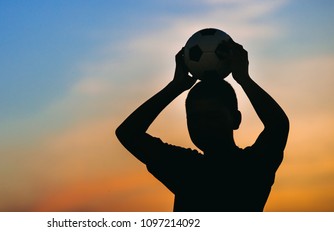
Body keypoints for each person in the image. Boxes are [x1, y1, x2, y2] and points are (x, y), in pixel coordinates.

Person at [115, 40, 289, 211]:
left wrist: (244, 79)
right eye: (195, 118)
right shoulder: (185, 168)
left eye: (213, 116)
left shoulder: (252, 168)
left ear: (236, 120)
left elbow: (278, 126)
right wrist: (175, 86)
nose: (203, 125)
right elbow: (127, 133)